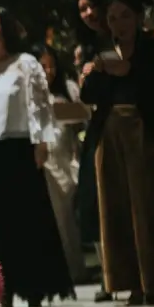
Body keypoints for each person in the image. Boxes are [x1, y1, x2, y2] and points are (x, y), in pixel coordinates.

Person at [0, 7, 74, 307]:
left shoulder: (25, 64)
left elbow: (39, 105)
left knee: (27, 220)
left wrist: (41, 141)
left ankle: (34, 288)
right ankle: (2, 289)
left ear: (5, 30)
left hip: (20, 149)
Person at [80, 0, 154, 305]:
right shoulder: (102, 51)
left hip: (146, 130)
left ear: (138, 17)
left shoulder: (153, 47)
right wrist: (100, 72)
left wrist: (131, 71)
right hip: (110, 133)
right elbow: (88, 94)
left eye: (125, 16)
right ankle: (131, 282)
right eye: (113, 18)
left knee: (152, 205)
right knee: (117, 209)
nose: (119, 24)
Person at [73, 0, 113, 300]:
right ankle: (108, 275)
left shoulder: (128, 40)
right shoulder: (86, 50)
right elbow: (84, 96)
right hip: (100, 124)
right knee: (92, 201)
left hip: (130, 121)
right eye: (82, 10)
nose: (88, 14)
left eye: (91, 6)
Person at [37, 44, 88, 283]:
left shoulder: (67, 89)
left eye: (51, 66)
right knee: (55, 220)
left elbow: (82, 117)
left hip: (68, 158)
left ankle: (77, 269)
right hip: (46, 162)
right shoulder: (28, 96)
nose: (48, 71)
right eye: (43, 66)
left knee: (70, 218)